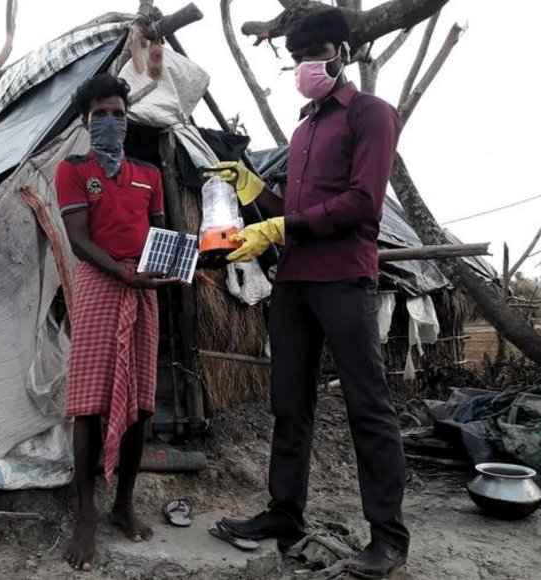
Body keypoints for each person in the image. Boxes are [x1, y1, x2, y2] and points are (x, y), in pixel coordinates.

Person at [208, 8, 409, 579]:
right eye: (295, 57)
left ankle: (389, 537)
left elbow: (362, 204)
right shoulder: (302, 129)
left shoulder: (371, 115)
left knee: (367, 405)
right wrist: (255, 192)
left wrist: (279, 227)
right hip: (293, 282)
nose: (304, 65)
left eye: (313, 53)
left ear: (339, 54)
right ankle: (284, 514)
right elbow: (293, 215)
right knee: (288, 406)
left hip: (345, 277)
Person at [56, 73, 180, 572]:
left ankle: (123, 503)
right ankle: (86, 514)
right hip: (99, 285)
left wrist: (167, 264)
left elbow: (158, 232)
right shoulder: (73, 169)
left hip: (143, 290)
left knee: (142, 403)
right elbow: (78, 239)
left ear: (127, 121)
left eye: (118, 114)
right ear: (86, 122)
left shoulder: (148, 173)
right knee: (88, 403)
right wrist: (123, 272)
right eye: (100, 115)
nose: (110, 121)